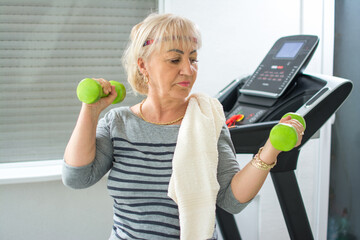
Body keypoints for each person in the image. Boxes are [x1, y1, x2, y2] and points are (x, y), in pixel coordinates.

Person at [62, 13, 304, 240]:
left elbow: (232, 200)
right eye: (175, 59)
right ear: (143, 66)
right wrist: (91, 110)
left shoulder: (206, 120)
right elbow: (77, 177)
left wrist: (271, 148)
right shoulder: (118, 123)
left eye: (193, 58)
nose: (188, 70)